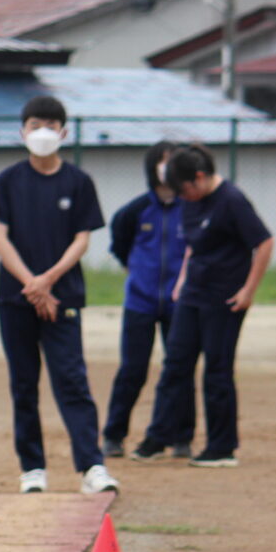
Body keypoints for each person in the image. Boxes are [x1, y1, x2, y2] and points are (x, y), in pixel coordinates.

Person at [0, 96, 117, 495]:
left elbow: (82, 240)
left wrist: (49, 280)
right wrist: (31, 283)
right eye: (34, 125)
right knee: (24, 384)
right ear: (22, 131)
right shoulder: (7, 181)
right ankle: (33, 469)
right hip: (16, 298)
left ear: (63, 132)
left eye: (50, 125)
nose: (42, 133)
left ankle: (92, 467)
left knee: (72, 380)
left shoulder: (78, 182)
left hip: (64, 298)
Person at [131, 144, 274, 467]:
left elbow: (264, 242)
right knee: (175, 365)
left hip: (225, 299)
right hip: (193, 294)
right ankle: (160, 436)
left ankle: (222, 447)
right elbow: (195, 246)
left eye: (184, 190)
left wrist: (248, 290)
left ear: (199, 178)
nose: (182, 198)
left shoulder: (232, 201)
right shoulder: (190, 203)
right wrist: (182, 280)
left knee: (217, 370)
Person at [103, 140, 193, 460]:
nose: (167, 168)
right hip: (139, 303)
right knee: (133, 370)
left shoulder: (190, 207)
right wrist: (137, 272)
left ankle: (182, 437)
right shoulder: (137, 209)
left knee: (179, 369)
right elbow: (119, 242)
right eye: (163, 162)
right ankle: (114, 434)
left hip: (179, 303)